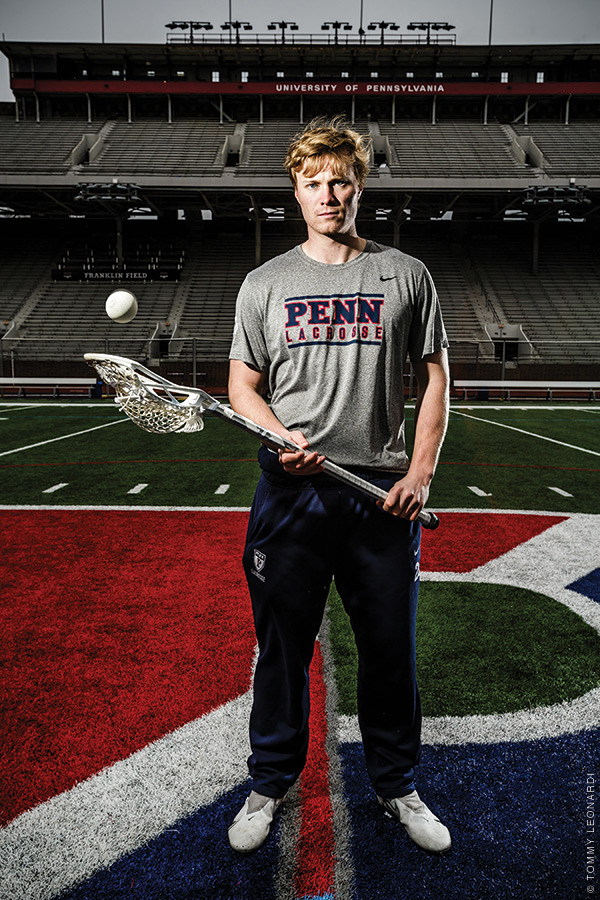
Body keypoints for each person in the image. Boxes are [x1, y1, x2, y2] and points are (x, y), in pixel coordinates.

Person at [227, 116, 451, 855]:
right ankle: (269, 781)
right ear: (296, 191)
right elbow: (243, 387)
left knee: (389, 651)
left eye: (341, 181)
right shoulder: (264, 283)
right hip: (290, 495)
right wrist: (277, 435)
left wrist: (420, 471)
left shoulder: (405, 274)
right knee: (281, 649)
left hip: (380, 496)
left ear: (360, 187)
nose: (330, 193)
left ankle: (398, 785)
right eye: (315, 182)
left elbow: (436, 378)